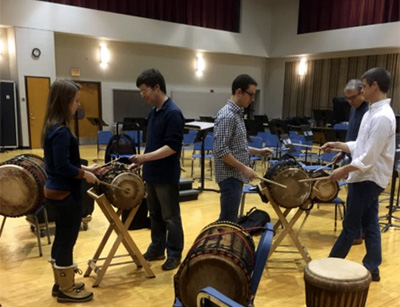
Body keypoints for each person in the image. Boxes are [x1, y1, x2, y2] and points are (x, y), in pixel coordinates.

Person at [321, 67, 395, 282]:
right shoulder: (371, 112)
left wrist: (344, 170)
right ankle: (372, 267)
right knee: (370, 224)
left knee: (350, 227)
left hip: (369, 178)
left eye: (363, 86)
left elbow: (369, 158)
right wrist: (338, 145)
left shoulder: (382, 116)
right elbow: (361, 145)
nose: (362, 91)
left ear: (374, 86)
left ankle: (328, 268)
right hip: (366, 177)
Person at [42, 79, 100, 302]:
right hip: (66, 194)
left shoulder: (52, 126)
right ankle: (66, 291)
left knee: (61, 239)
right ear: (65, 101)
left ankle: (60, 283)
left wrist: (86, 167)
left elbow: (62, 162)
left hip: (57, 190)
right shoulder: (62, 132)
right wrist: (85, 175)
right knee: (67, 240)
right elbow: (63, 167)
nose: (78, 105)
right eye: (76, 101)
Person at [129, 69, 185, 271]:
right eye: (140, 91)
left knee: (171, 217)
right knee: (155, 216)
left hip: (166, 176)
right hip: (151, 174)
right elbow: (152, 145)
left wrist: (145, 157)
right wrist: (142, 161)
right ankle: (157, 248)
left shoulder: (173, 113)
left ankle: (175, 253)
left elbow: (172, 147)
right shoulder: (153, 113)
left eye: (144, 90)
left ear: (157, 87)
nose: (143, 95)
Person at [213, 74, 272, 223]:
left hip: (235, 175)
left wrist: (258, 151)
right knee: (227, 221)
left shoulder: (237, 114)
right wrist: (244, 168)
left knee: (230, 220)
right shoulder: (228, 116)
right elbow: (221, 151)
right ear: (239, 92)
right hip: (230, 176)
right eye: (250, 95)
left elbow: (238, 147)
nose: (252, 99)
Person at [333, 79, 369, 245]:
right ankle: (357, 232)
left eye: (352, 98)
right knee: (353, 198)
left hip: (362, 160)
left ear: (362, 92)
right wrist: (342, 152)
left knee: (357, 199)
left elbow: (364, 141)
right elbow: (351, 135)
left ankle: (356, 233)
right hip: (351, 154)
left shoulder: (368, 111)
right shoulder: (354, 109)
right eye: (347, 98)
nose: (349, 102)